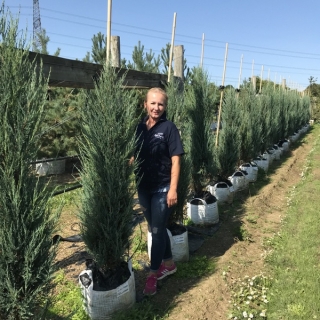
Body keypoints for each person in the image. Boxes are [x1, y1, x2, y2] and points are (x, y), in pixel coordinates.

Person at [135, 87, 184, 296]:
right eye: (152, 103)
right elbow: (135, 155)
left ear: (165, 107)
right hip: (143, 187)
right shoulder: (139, 128)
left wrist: (173, 189)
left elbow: (176, 159)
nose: (156, 108)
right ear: (145, 104)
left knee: (156, 231)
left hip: (163, 188)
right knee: (157, 227)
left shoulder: (169, 128)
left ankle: (153, 274)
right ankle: (170, 264)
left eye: (160, 104)